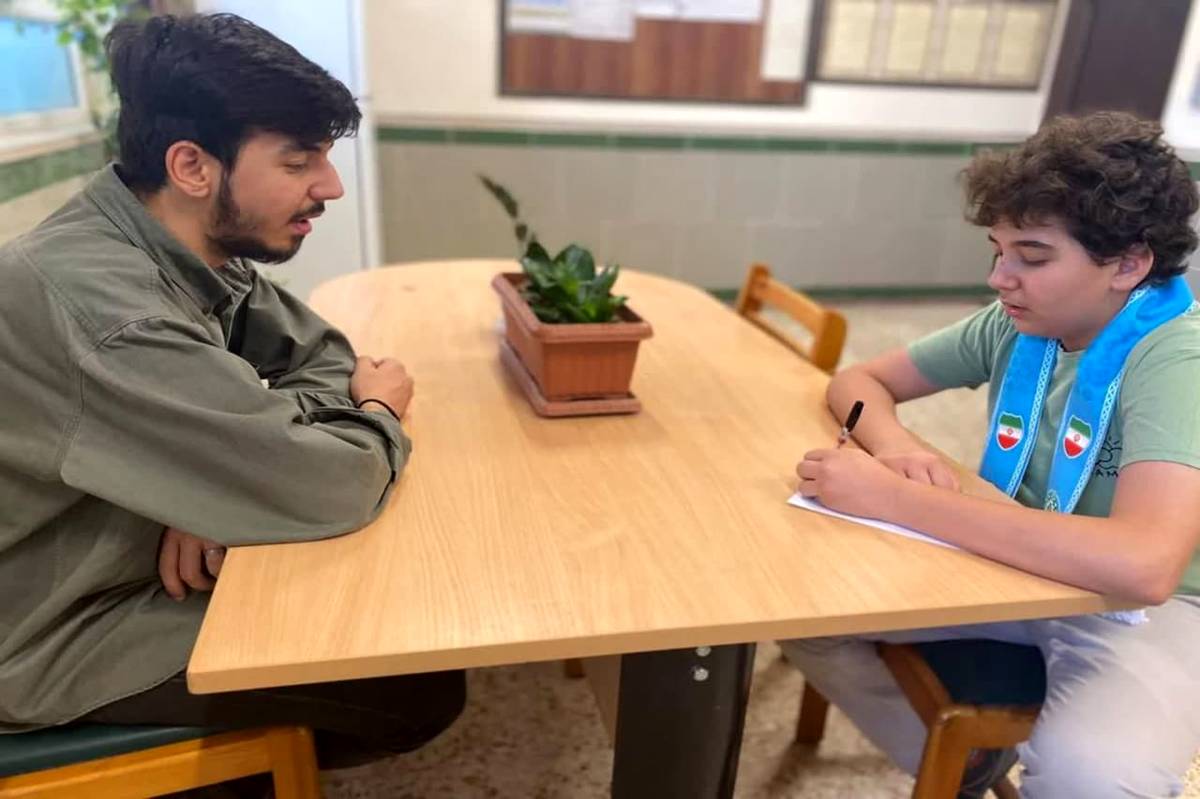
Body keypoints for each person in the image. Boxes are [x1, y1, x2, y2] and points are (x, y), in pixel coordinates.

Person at [0, 11, 464, 769]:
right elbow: (333, 482)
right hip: (48, 633)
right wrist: (373, 411)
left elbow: (323, 355)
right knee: (413, 682)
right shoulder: (107, 309)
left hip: (112, 564)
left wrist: (217, 479)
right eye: (298, 161)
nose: (330, 186)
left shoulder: (178, 243)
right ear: (192, 166)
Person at [782, 111, 1200, 799]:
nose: (1001, 278)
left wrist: (898, 498)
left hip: (1152, 611)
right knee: (797, 604)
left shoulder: (1177, 359)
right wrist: (895, 449)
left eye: (1032, 257)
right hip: (1011, 566)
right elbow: (856, 383)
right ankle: (965, 765)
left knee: (1095, 777)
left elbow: (1144, 566)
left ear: (1129, 264)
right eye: (998, 251)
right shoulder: (1022, 323)